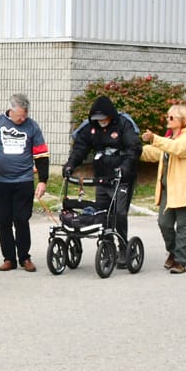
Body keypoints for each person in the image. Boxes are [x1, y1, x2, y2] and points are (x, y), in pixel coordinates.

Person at [63, 96, 142, 263]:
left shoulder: (123, 124)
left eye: (104, 118)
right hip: (102, 176)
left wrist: (125, 168)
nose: (101, 122)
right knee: (103, 212)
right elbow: (80, 149)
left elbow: (133, 149)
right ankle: (108, 246)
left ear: (111, 115)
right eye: (98, 119)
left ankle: (122, 247)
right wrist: (70, 165)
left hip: (122, 177)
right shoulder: (90, 127)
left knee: (119, 213)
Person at [0, 93, 49, 272]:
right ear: (11, 110)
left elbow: (41, 154)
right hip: (1, 181)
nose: (23, 118)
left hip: (23, 180)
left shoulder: (32, 126)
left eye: (25, 115)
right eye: (20, 116)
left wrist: (43, 180)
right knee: (3, 220)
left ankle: (24, 256)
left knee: (21, 219)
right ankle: (9, 258)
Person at [140, 104, 186, 274]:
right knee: (164, 223)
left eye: (171, 117)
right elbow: (153, 153)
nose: (167, 120)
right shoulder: (169, 139)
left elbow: (177, 149)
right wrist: (132, 149)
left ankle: (181, 261)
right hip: (169, 191)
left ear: (182, 120)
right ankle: (173, 251)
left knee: (183, 225)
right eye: (167, 116)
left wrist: (154, 138)